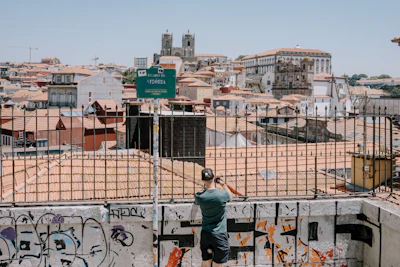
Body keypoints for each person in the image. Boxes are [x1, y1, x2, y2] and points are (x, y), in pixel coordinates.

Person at [194, 168, 231, 267]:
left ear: (203, 180)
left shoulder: (200, 197)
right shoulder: (222, 195)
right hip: (219, 235)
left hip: (206, 234)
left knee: (206, 262)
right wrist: (223, 184)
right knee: (217, 265)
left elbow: (198, 195)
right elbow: (230, 196)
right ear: (213, 178)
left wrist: (204, 188)